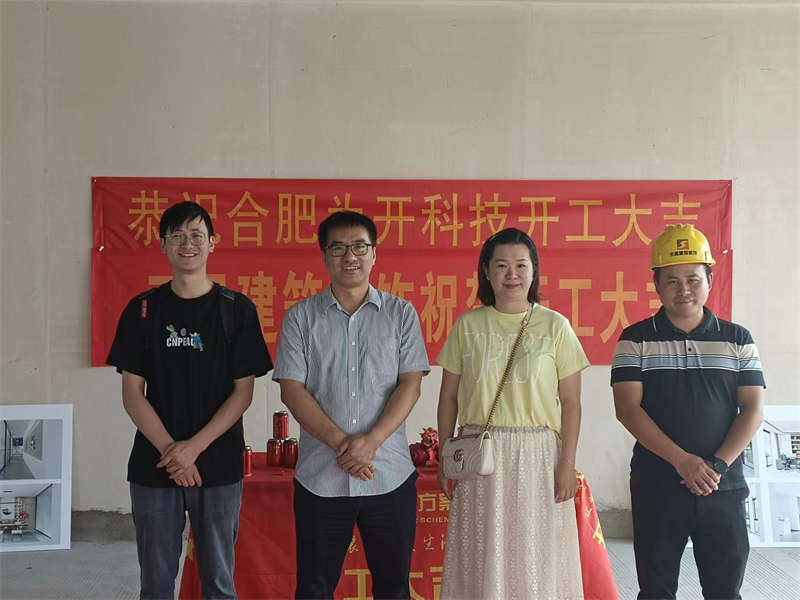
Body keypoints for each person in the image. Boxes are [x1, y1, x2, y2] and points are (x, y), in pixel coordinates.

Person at [107, 201, 272, 599]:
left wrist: (193, 449)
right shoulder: (143, 310)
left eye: (197, 235)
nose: (188, 244)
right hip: (155, 465)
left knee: (219, 582)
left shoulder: (237, 310)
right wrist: (172, 452)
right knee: (156, 583)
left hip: (218, 464)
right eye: (177, 236)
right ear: (163, 245)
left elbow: (243, 393)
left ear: (213, 243)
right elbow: (132, 394)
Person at [272, 210, 430, 599]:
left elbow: (410, 385)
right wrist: (345, 446)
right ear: (324, 256)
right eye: (338, 248)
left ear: (374, 253)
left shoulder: (401, 314)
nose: (350, 256)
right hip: (321, 478)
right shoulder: (300, 318)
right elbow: (292, 390)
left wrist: (371, 442)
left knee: (393, 589)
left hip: (388, 475)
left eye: (360, 246)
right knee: (313, 589)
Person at [611, 223, 765, 600]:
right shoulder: (635, 339)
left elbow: (753, 409)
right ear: (656, 284)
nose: (684, 289)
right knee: (656, 589)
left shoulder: (737, 339)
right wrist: (682, 461)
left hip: (722, 484)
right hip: (658, 484)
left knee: (724, 589)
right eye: (672, 280)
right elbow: (627, 409)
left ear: (709, 280)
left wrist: (716, 465)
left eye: (693, 279)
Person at [437, 228, 589, 599]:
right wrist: (446, 457)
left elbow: (571, 403)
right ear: (486, 272)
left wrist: (567, 463)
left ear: (534, 271)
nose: (512, 274)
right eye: (501, 265)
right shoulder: (468, 326)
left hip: (538, 457)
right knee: (481, 553)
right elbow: (448, 398)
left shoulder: (555, 326)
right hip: (480, 456)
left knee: (535, 554)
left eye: (521, 265)